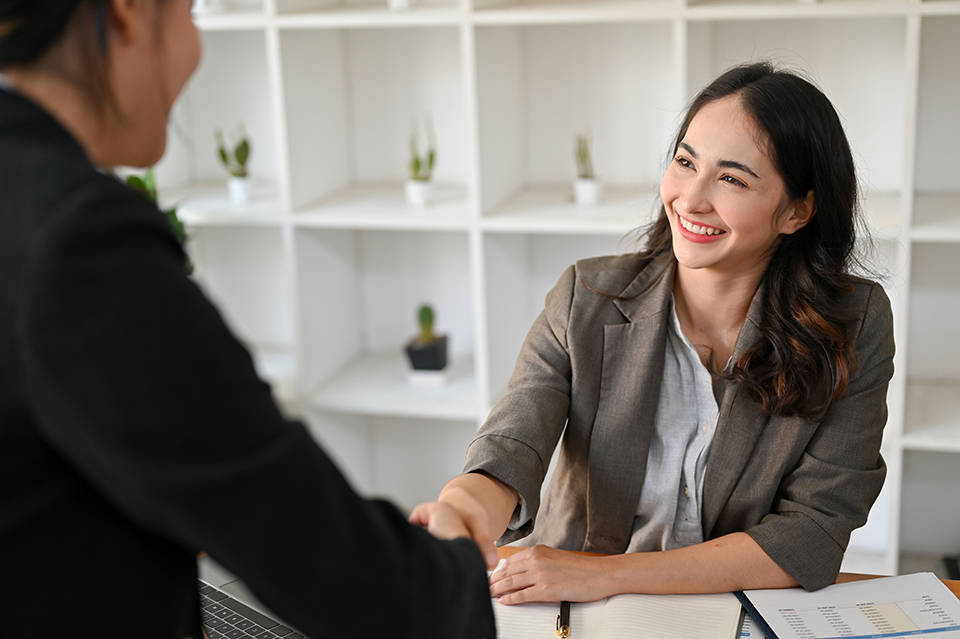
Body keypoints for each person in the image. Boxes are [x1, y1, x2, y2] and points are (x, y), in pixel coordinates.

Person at [0, 1, 496, 637]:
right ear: (127, 13)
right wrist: (451, 566)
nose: (196, 51)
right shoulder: (74, 239)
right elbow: (288, 524)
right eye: (188, 14)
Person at [411, 61, 895, 603]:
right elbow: (514, 439)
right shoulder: (586, 298)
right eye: (685, 162)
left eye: (732, 179)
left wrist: (602, 575)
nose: (691, 199)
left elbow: (814, 532)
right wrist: (462, 507)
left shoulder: (854, 323)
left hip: (726, 608)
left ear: (798, 212)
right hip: (569, 608)